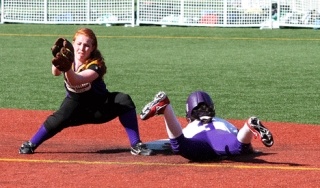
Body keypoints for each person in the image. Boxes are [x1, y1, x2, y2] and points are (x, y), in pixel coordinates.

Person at [19, 28, 154, 156]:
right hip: (75, 108)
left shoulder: (96, 64)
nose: (82, 48)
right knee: (56, 121)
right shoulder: (68, 58)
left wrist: (67, 67)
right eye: (79, 44)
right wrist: (58, 57)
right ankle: (31, 144)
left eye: (86, 45)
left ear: (93, 48)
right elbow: (55, 73)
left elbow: (77, 81)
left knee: (123, 100)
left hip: (100, 108)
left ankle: (136, 145)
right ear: (72, 44)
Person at [140, 91, 274, 161]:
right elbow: (240, 139)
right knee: (239, 147)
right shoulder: (223, 121)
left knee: (178, 145)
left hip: (198, 140)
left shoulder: (190, 127)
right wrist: (249, 148)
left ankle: (167, 107)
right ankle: (248, 124)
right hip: (221, 135)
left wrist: (148, 145)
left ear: (189, 111)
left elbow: (171, 142)